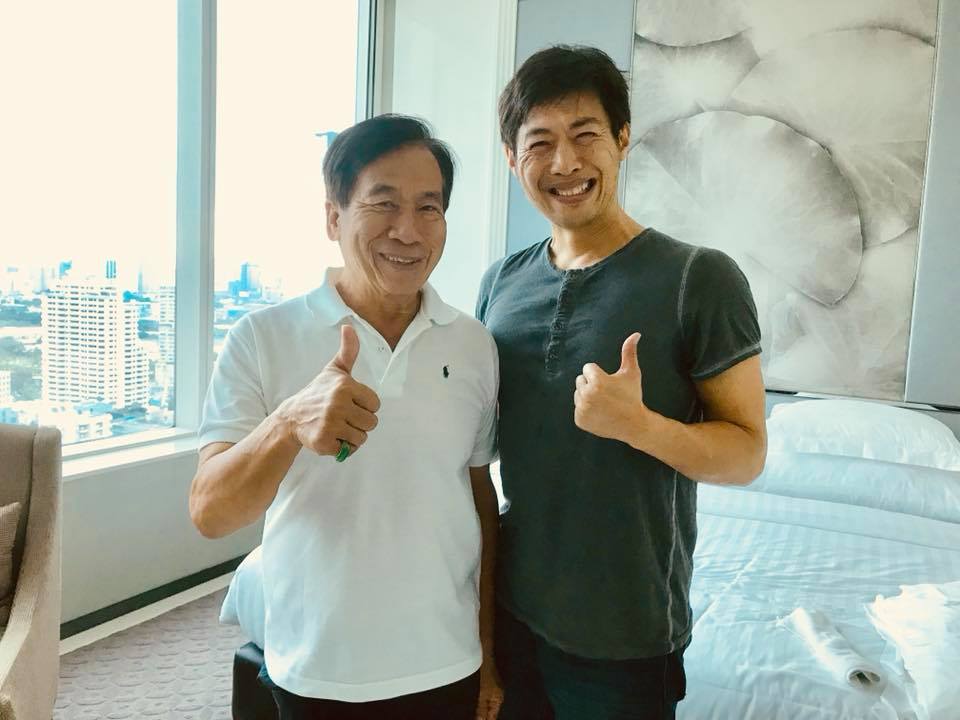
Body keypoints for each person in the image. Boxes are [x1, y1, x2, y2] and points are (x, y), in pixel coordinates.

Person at [476, 45, 767, 720]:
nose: (565, 163)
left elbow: (747, 453)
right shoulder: (500, 284)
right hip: (514, 608)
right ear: (512, 159)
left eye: (586, 135)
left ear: (623, 140)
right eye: (540, 142)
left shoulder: (699, 278)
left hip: (627, 631)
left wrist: (640, 427)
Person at [190, 114, 503, 720]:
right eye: (383, 204)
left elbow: (476, 495)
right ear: (333, 218)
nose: (407, 231)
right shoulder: (262, 337)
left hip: (447, 662)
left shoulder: (473, 344)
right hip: (317, 668)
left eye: (429, 208)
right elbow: (210, 512)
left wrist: (489, 650)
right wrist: (288, 423)